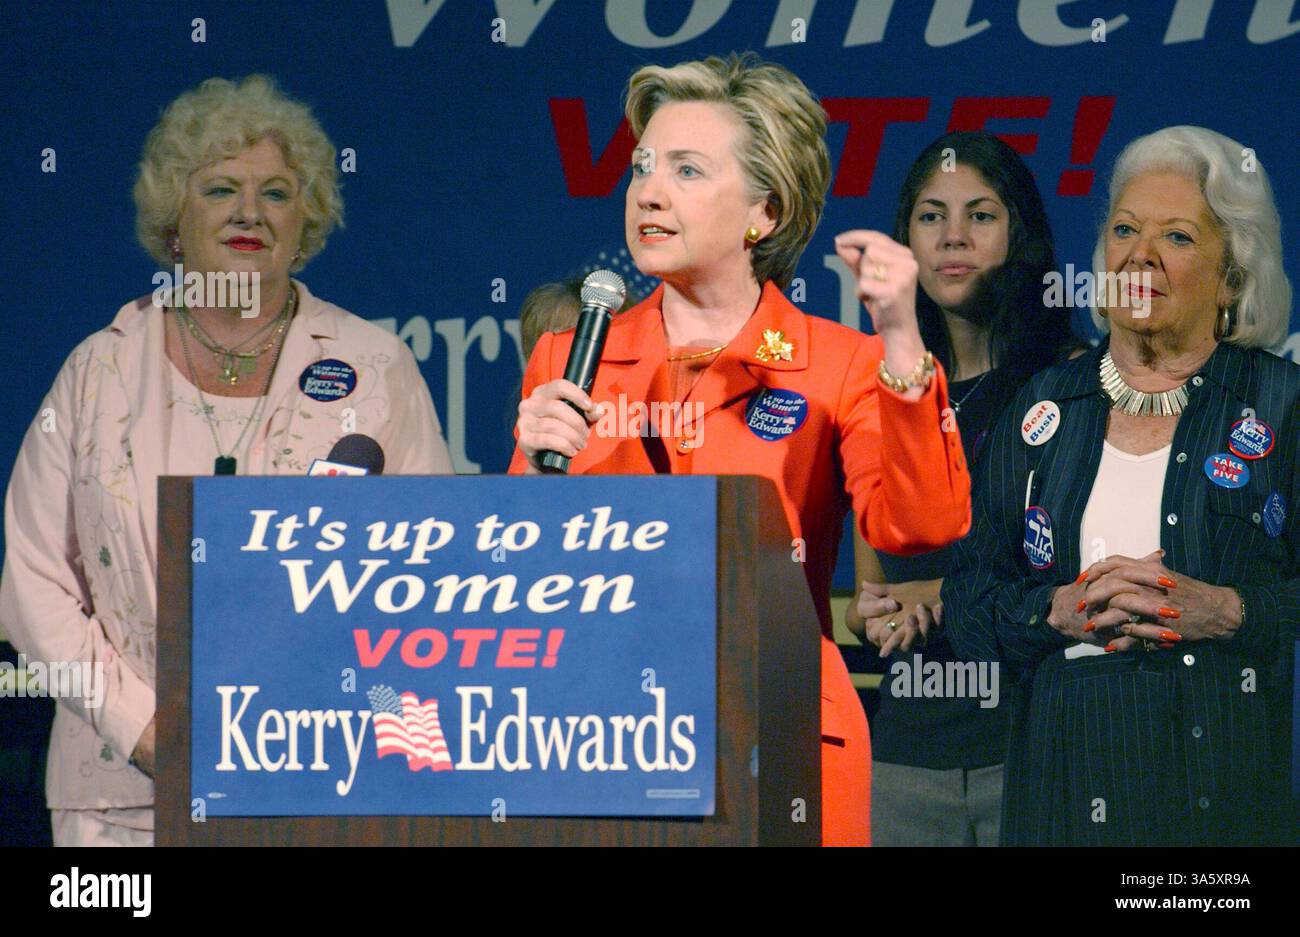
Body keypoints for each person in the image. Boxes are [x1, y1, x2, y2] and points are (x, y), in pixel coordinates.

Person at [510, 53, 971, 846]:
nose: (648, 191)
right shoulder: (569, 357)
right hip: (599, 741)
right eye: (643, 168)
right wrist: (530, 488)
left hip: (779, 740)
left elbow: (920, 526)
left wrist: (902, 341)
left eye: (687, 171)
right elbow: (519, 579)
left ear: (765, 209)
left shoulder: (843, 364)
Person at [0, 75, 453, 846]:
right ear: (175, 218)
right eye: (220, 189)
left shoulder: (375, 367)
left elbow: (433, 575)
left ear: (304, 221)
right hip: (121, 796)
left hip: (324, 783)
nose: (249, 211)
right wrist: (146, 728)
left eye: (276, 192)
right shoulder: (98, 370)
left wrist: (359, 738)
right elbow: (32, 583)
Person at [942, 125, 1297, 845]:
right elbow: (968, 603)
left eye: (1178, 237)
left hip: (1221, 800)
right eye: (1126, 229)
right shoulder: (1043, 405)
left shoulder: (1280, 404)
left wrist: (1228, 610)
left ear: (1233, 276)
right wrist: (1056, 612)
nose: (1141, 254)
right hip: (1062, 793)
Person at [844, 131, 1077, 845]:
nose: (953, 236)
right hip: (907, 759)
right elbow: (868, 591)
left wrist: (937, 597)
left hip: (1032, 749)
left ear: (1020, 234)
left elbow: (1070, 573)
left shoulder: (1071, 383)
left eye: (980, 215)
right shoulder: (889, 389)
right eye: (930, 215)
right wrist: (878, 614)